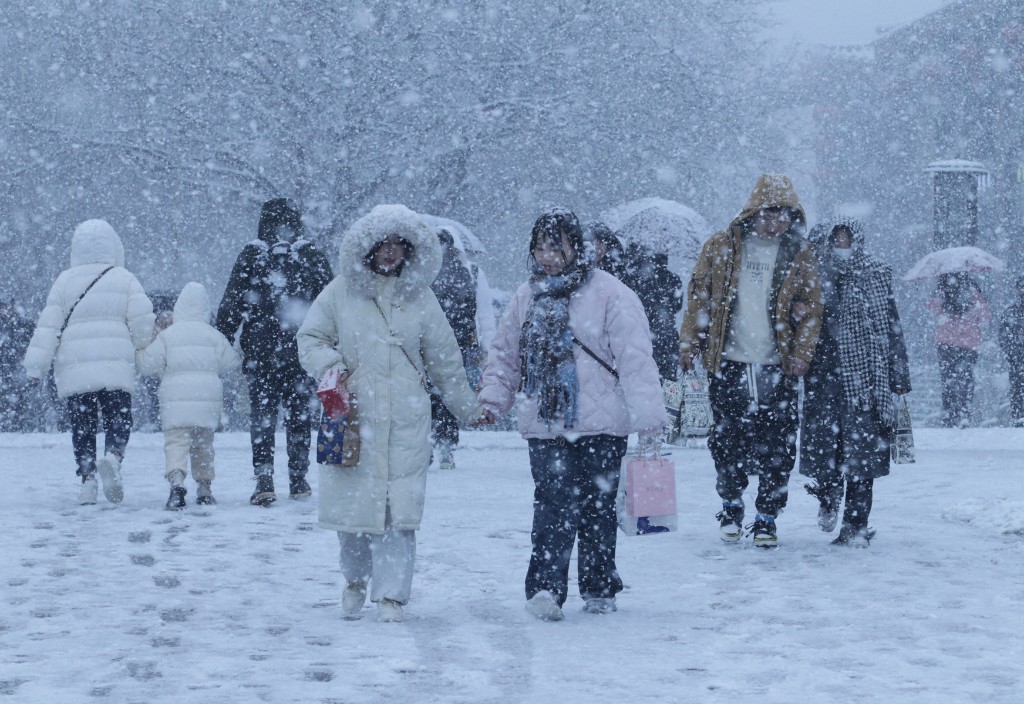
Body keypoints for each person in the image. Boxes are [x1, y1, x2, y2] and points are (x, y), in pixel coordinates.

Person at [297, 204, 488, 623]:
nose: (389, 252)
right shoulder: (339, 292)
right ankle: (354, 579)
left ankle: (392, 597)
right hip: (352, 417)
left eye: (398, 244)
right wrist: (334, 368)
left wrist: (468, 408)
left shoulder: (422, 297)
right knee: (354, 516)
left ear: (410, 250)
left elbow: (445, 359)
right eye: (382, 244)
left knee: (398, 514)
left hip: (406, 418)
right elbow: (310, 336)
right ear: (366, 247)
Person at [477, 208, 666, 621]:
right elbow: (505, 354)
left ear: (575, 247)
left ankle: (599, 585)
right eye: (540, 247)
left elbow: (635, 359)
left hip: (602, 423)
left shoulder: (612, 294)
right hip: (546, 422)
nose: (548, 256)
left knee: (598, 506)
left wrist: (649, 416)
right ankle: (546, 587)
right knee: (552, 505)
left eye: (556, 246)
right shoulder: (526, 296)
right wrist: (493, 399)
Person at [679, 174, 822, 548]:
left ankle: (767, 517)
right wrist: (689, 341)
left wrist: (803, 352)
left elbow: (812, 311)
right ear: (753, 212)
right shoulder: (721, 246)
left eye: (784, 216)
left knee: (778, 445)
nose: (776, 223)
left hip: (778, 365)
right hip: (728, 362)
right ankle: (730, 504)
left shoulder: (799, 253)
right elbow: (699, 295)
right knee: (727, 441)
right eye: (769, 214)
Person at [23, 219, 154, 504]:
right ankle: (113, 457)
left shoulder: (64, 281)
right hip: (116, 365)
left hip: (76, 367)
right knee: (118, 418)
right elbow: (143, 324)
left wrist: (36, 366)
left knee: (82, 425)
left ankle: (87, 481)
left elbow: (48, 327)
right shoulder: (124, 277)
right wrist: (142, 348)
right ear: (113, 247)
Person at [798, 219, 911, 547]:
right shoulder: (813, 274)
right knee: (825, 451)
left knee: (864, 457)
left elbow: (890, 323)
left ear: (857, 240)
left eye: (847, 237)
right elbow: (801, 319)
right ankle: (828, 496)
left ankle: (855, 526)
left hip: (867, 379)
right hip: (824, 376)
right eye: (836, 238)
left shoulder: (876, 272)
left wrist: (898, 374)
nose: (841, 243)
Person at [216, 198, 333, 505]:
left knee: (263, 417)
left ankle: (264, 479)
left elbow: (232, 302)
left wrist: (223, 337)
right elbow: (331, 301)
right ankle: (298, 477)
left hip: (260, 352)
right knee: (299, 415)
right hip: (303, 351)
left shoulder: (253, 254)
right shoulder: (310, 254)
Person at [137, 282, 241, 509]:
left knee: (176, 442)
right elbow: (231, 362)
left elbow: (147, 365)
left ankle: (176, 484)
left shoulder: (169, 336)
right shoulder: (214, 336)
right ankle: (204, 489)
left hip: (175, 401)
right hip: (207, 401)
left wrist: (143, 345)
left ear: (179, 307)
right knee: (204, 445)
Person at [428, 229, 483, 469]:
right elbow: (470, 308)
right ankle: (447, 449)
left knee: (426, 398)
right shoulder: (461, 270)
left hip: (429, 343)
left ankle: (427, 446)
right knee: (448, 396)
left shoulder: (424, 271)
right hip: (455, 344)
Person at [926, 272, 990, 428]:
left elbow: (931, 308)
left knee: (947, 378)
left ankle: (949, 414)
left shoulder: (942, 289)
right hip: (969, 341)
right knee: (967, 378)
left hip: (945, 341)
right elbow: (984, 316)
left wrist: (939, 289)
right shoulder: (972, 290)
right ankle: (964, 412)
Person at [622, 243, 684, 382]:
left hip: (640, 337)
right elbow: (677, 306)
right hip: (667, 338)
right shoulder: (673, 279)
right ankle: (669, 403)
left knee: (643, 383)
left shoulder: (634, 279)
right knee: (668, 383)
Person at [998, 275, 1024, 426]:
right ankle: (1019, 416)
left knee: (1017, 387)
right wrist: (1012, 351)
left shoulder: (1011, 312)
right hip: (1017, 357)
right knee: (1017, 387)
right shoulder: (1011, 312)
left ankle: (1019, 416)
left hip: (1016, 356)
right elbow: (1003, 335)